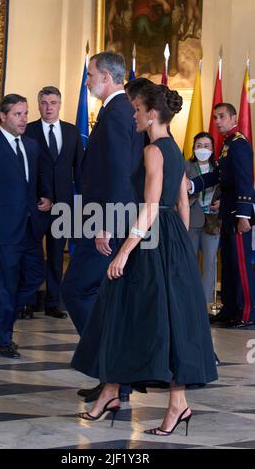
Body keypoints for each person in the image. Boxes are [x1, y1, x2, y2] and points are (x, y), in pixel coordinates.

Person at [71, 82, 217, 435]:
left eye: (137, 109)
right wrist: (178, 243)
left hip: (149, 240)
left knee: (126, 315)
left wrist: (123, 251)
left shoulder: (153, 152)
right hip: (170, 241)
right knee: (162, 321)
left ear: (152, 114)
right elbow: (182, 203)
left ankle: (120, 395)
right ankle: (127, 396)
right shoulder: (175, 151)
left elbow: (150, 206)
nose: (134, 115)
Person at [61, 51, 144, 403]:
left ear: (107, 77)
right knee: (104, 300)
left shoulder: (114, 113)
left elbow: (118, 173)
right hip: (114, 219)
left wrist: (105, 225)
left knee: (76, 290)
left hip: (109, 223)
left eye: (91, 74)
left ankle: (105, 366)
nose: (87, 80)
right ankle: (115, 379)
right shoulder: (122, 110)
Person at [0, 94, 52, 358]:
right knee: (7, 284)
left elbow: (35, 180)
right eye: (17, 114)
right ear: (3, 116)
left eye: (25, 113)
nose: (24, 119)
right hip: (1, 231)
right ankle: (2, 339)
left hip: (29, 228)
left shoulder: (32, 146)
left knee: (36, 275)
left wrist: (45, 197)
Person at [187, 103, 255, 328]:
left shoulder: (239, 144)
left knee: (241, 264)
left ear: (234, 117)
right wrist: (192, 185)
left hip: (237, 213)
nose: (217, 121)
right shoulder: (227, 145)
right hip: (227, 213)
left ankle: (246, 313)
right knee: (227, 263)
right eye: (215, 117)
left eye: (222, 116)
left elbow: (245, 180)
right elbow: (216, 175)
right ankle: (229, 310)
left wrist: (244, 215)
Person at [25, 86, 83, 319]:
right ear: (38, 105)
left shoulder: (71, 132)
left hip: (64, 206)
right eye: (45, 103)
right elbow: (26, 170)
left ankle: (52, 303)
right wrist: (38, 196)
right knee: (32, 255)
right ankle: (27, 303)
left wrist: (83, 200)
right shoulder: (28, 131)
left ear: (60, 105)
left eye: (53, 103)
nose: (49, 107)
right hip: (37, 205)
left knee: (58, 257)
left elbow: (78, 169)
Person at [185, 132, 220, 310]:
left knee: (209, 263)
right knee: (189, 260)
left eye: (206, 146)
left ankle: (205, 305)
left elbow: (227, 188)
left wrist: (221, 202)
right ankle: (188, 302)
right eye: (199, 145)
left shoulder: (219, 169)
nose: (203, 149)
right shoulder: (186, 166)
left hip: (213, 222)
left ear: (213, 149)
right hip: (191, 218)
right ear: (193, 148)